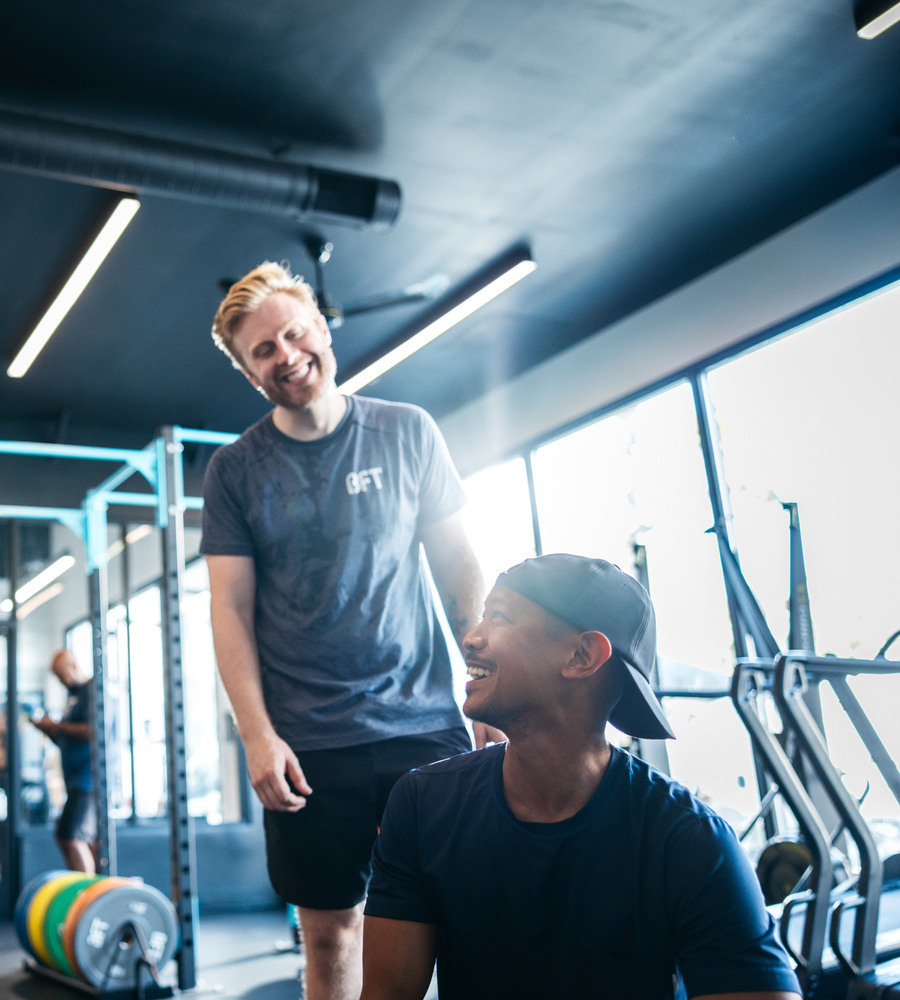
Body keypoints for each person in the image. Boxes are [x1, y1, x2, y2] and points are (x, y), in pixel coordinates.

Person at [201, 262, 491, 1000]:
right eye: (261, 351)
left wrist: (487, 690)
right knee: (332, 935)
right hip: (307, 745)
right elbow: (229, 610)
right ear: (247, 372)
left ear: (322, 330)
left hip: (423, 727)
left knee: (465, 918)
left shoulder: (405, 432)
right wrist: (257, 736)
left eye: (293, 333)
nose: (285, 355)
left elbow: (460, 565)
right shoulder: (236, 471)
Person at [361, 554, 802, 1000]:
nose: (471, 638)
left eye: (499, 617)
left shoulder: (691, 843)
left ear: (580, 656)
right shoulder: (421, 805)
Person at [30, 649, 96, 873]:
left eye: (61, 676)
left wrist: (56, 726)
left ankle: (87, 893)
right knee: (64, 835)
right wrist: (48, 729)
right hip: (74, 780)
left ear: (73, 667)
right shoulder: (74, 696)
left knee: (71, 836)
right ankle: (80, 887)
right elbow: (67, 740)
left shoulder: (92, 690)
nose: (61, 682)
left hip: (89, 780)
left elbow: (92, 732)